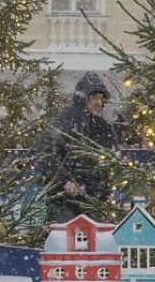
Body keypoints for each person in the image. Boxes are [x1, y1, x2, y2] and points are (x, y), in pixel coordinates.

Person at [41, 72, 120, 224]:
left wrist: (105, 191)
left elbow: (114, 159)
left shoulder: (104, 127)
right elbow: (46, 153)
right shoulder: (65, 121)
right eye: (94, 97)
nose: (99, 102)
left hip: (95, 201)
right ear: (83, 98)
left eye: (101, 98)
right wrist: (64, 181)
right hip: (64, 201)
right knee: (66, 242)